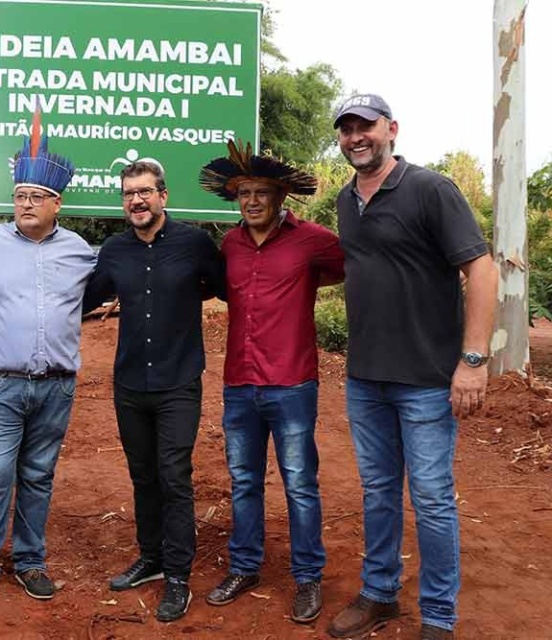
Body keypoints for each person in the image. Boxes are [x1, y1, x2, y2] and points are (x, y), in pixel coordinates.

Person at [326, 94, 498, 640]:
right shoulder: (345, 200)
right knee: (378, 493)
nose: (356, 137)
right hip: (366, 378)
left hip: (426, 380)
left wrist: (472, 361)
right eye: (346, 129)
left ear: (391, 129)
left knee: (430, 499)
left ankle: (439, 618)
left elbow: (482, 269)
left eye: (366, 127)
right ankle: (380, 595)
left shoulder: (430, 189)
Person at [0, 121, 96, 619]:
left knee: (37, 476)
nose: (26, 203)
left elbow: (118, 285)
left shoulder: (79, 251)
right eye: (19, 195)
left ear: (57, 203)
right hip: (3, 386)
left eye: (37, 196)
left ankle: (30, 562)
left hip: (57, 388)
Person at [198, 139, 344, 623]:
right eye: (244, 193)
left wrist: (301, 281)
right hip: (239, 382)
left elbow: (345, 268)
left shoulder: (314, 240)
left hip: (292, 382)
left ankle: (307, 578)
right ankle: (245, 567)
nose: (253, 200)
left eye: (262, 191)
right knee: (244, 482)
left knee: (300, 483)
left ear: (282, 196)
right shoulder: (231, 244)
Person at [84, 161, 225, 622]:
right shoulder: (115, 251)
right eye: (128, 193)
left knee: (174, 475)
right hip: (129, 384)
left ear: (163, 196)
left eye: (145, 192)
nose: (136, 200)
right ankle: (152, 557)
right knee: (142, 475)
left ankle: (179, 575)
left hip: (178, 382)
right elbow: (83, 299)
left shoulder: (195, 243)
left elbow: (226, 288)